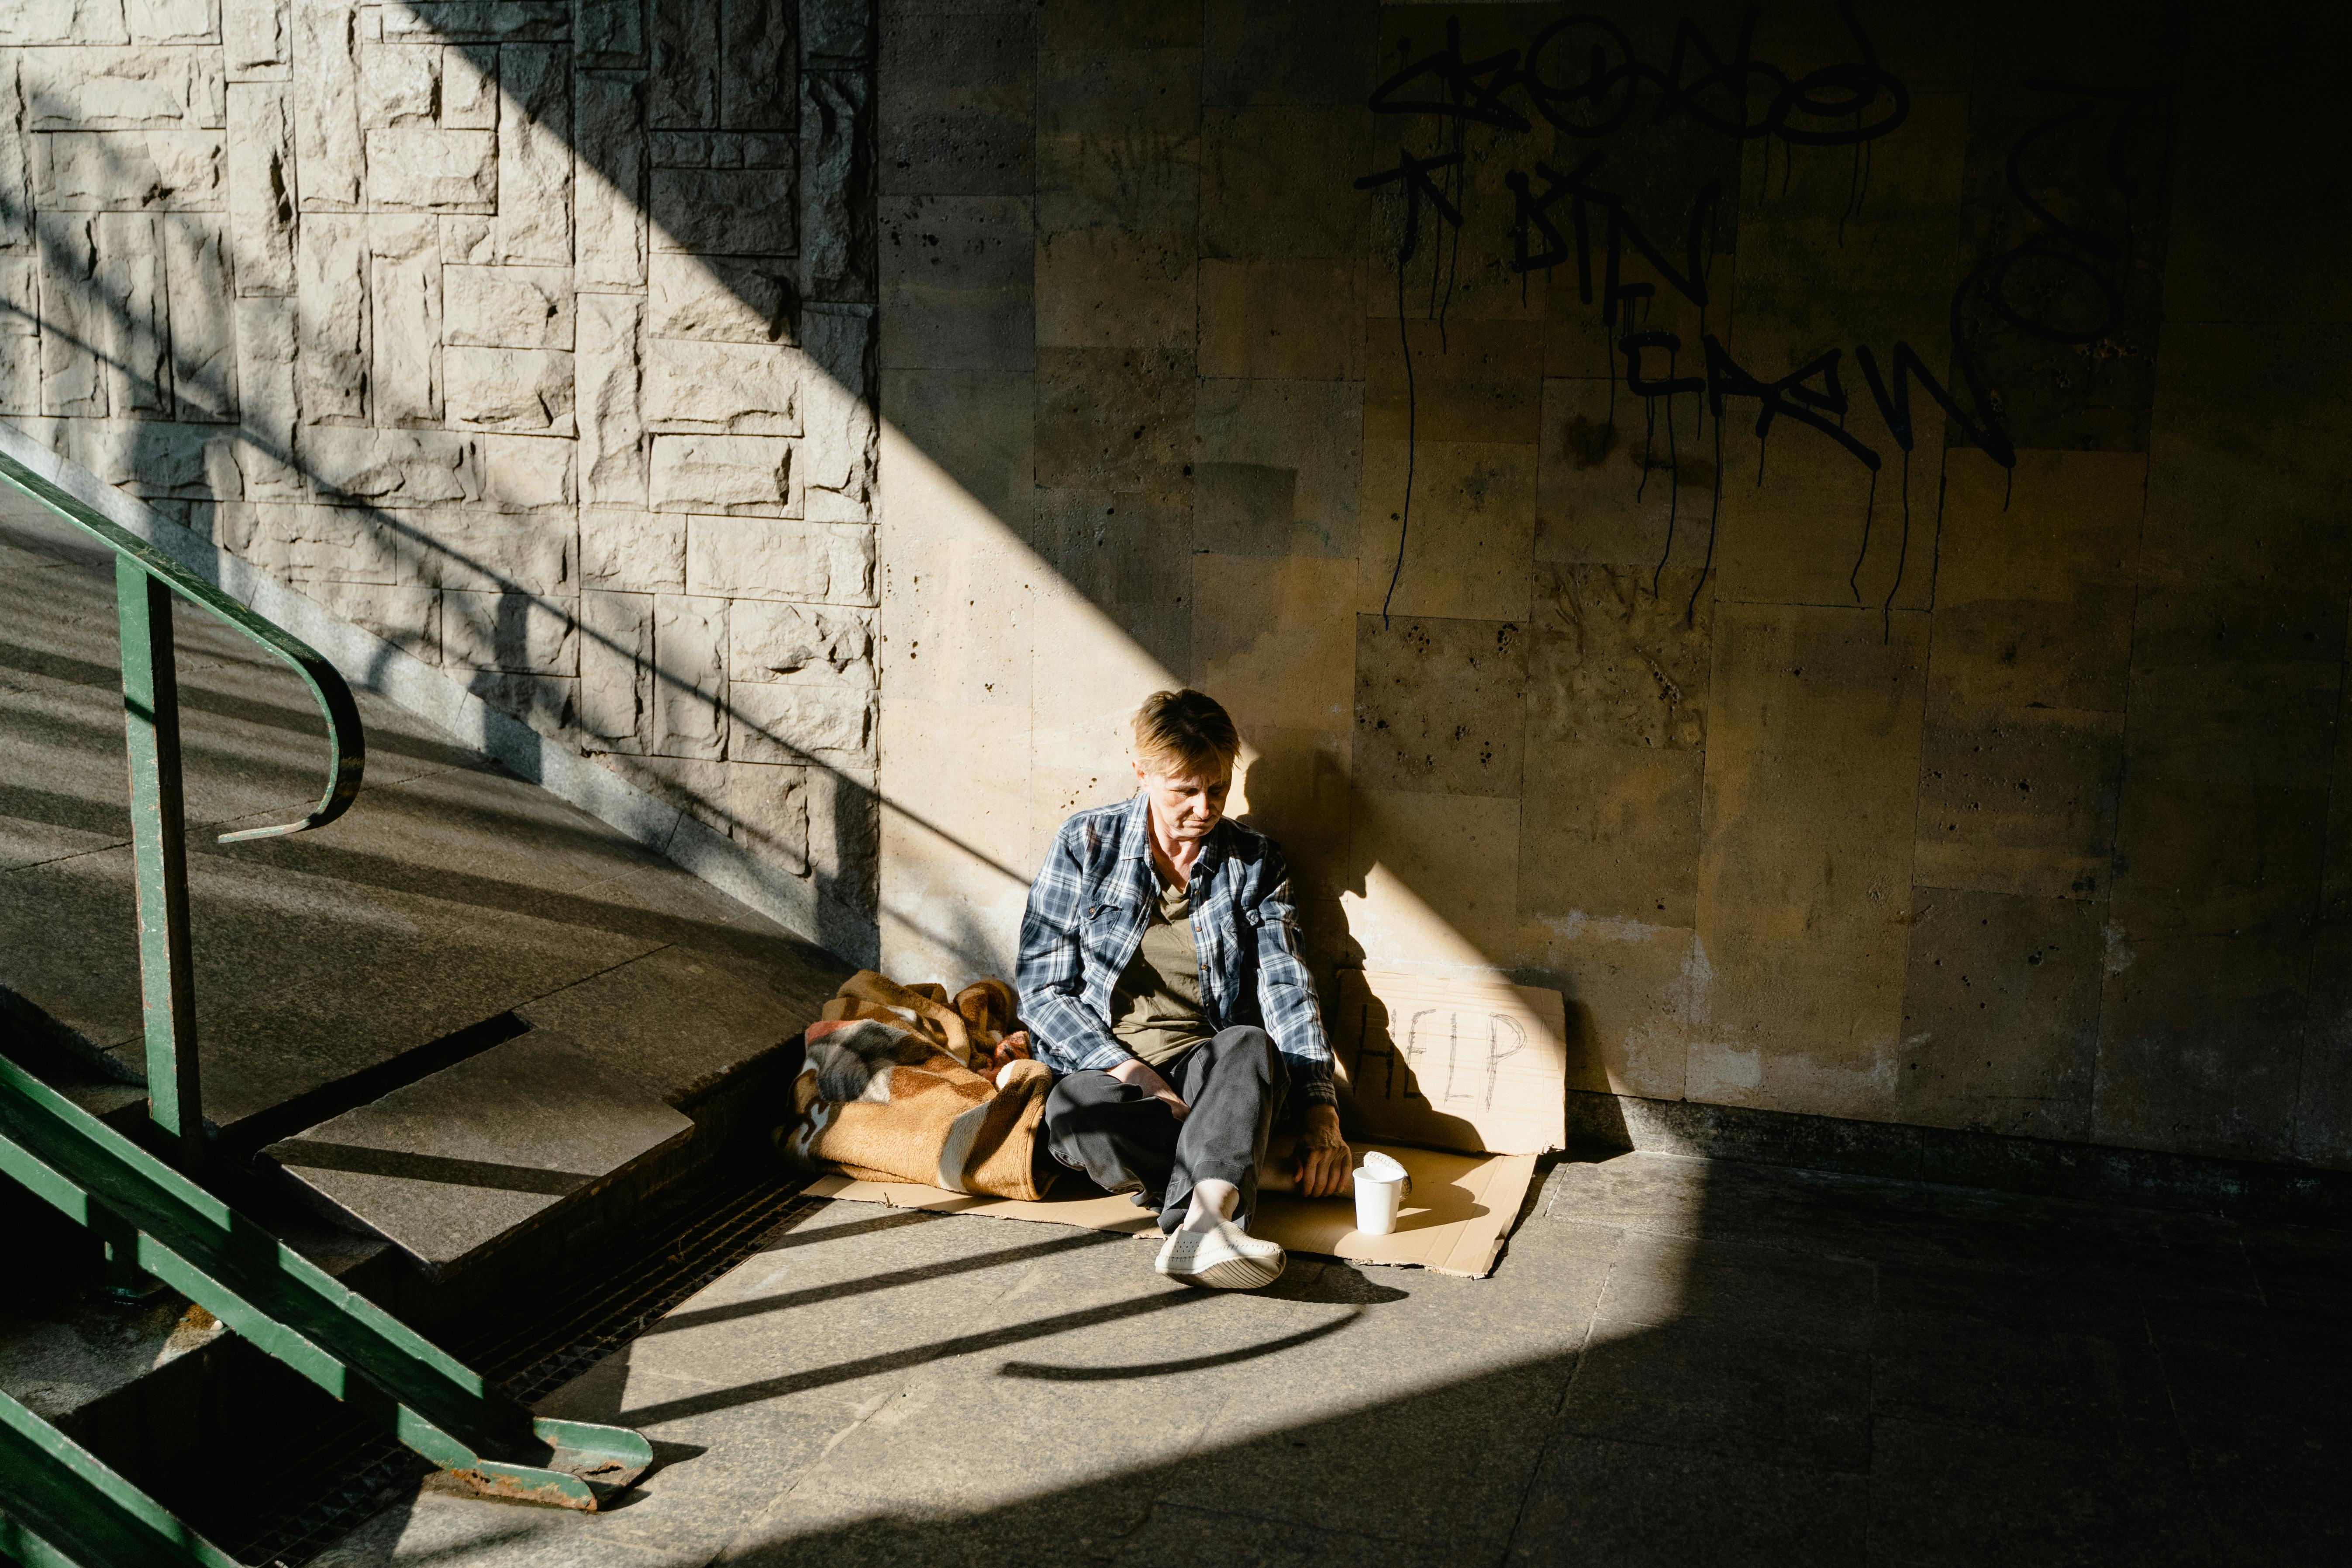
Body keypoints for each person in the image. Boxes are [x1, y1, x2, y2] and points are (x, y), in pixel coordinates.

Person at [1016, 689, 1350, 1289]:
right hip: (1110, 1072)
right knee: (1072, 1115)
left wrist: (1320, 1112)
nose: (1204, 807)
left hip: (1209, 1070)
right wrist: (1133, 1075)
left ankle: (1202, 1226)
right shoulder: (1085, 843)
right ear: (1142, 774)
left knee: (1250, 1046)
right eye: (1184, 791)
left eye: (1218, 788)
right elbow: (1044, 990)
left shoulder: (1254, 861)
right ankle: (1225, 1166)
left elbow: (1285, 986)